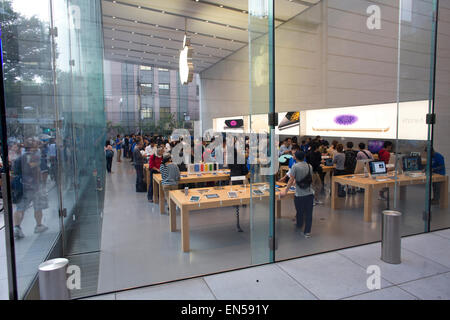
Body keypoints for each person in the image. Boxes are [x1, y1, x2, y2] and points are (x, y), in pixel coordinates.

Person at [13, 138, 49, 239]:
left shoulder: (19, 159)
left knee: (20, 208)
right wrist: (42, 185)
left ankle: (17, 227)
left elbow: (14, 174)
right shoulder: (36, 157)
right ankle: (38, 225)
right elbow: (40, 172)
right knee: (38, 207)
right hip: (34, 186)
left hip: (22, 186)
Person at [281, 151, 314, 238]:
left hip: (300, 194)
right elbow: (309, 178)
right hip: (310, 193)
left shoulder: (295, 166)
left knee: (299, 211)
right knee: (309, 213)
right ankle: (307, 232)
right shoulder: (309, 166)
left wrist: (285, 191)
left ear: (295, 157)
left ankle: (299, 225)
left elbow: (291, 180)